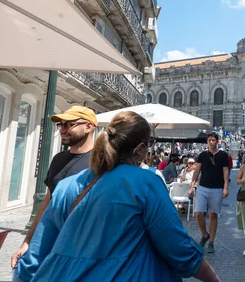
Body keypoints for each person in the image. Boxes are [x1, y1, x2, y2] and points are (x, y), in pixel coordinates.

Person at [13, 111, 220, 282]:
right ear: (140, 149)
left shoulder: (66, 187)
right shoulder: (145, 183)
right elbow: (179, 250)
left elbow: (33, 259)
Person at [11, 106, 98, 270]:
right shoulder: (59, 159)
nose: (63, 130)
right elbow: (47, 201)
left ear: (88, 126)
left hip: (82, 249)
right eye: (61, 125)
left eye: (69, 124)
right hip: (52, 242)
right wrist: (27, 242)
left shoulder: (99, 163)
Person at [188, 132, 229, 254]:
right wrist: (191, 186)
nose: (212, 142)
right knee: (198, 213)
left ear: (217, 141)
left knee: (213, 215)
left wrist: (226, 187)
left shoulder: (223, 155)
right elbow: (196, 171)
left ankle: (211, 242)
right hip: (203, 187)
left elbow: (226, 172)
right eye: (210, 140)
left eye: (213, 140)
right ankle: (204, 234)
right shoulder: (202, 155)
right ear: (207, 142)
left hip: (217, 188)